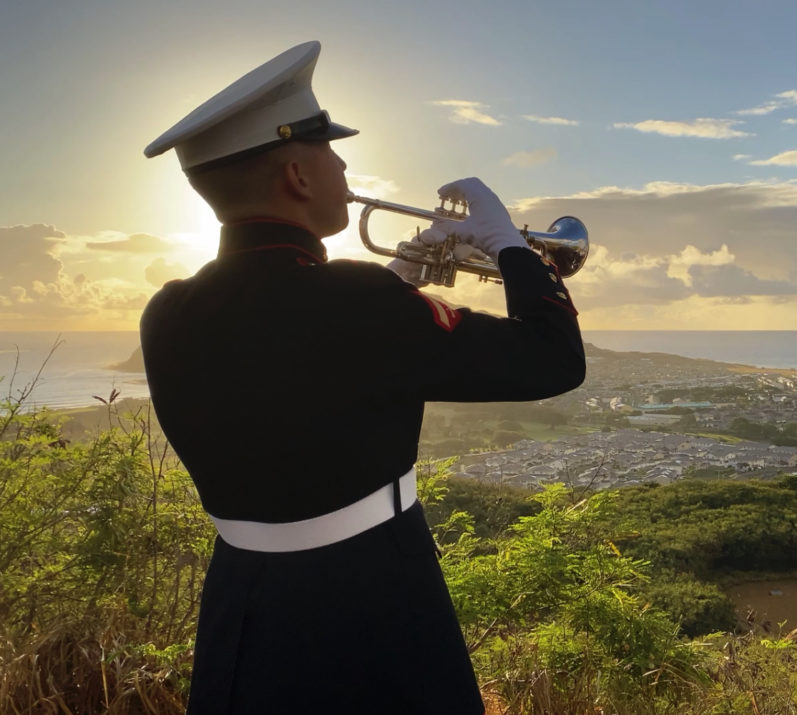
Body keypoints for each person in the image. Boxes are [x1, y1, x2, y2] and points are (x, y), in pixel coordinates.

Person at [140, 41, 584, 714]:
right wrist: (511, 246)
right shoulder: (354, 303)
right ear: (297, 174)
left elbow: (299, 364)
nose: (345, 165)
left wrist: (400, 280)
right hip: (375, 595)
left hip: (241, 604)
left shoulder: (167, 310)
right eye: (331, 149)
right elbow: (554, 357)